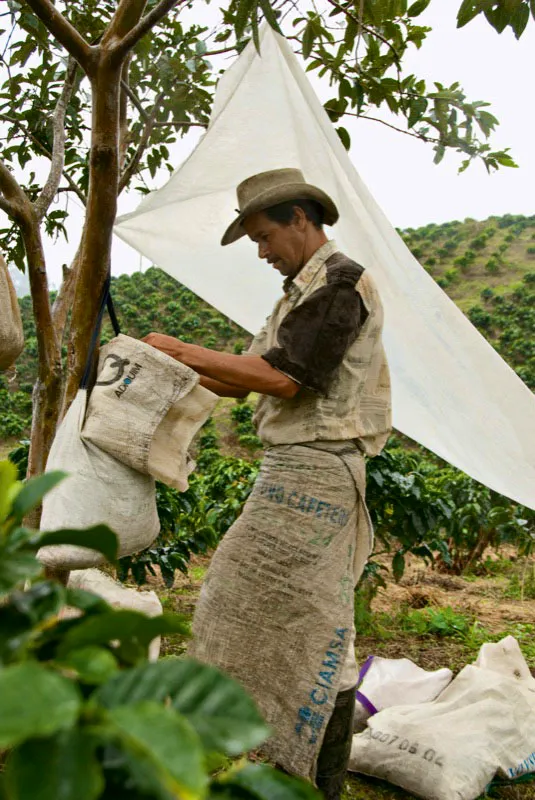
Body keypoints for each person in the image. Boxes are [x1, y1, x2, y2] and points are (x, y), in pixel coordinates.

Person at [143, 167, 391, 798]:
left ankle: (301, 761)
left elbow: (288, 379)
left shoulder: (340, 284)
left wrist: (187, 351)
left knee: (259, 602)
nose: (260, 252)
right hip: (290, 468)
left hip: (321, 473)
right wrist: (165, 361)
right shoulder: (297, 291)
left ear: (300, 221)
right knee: (315, 625)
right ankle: (297, 759)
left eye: (263, 236)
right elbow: (247, 376)